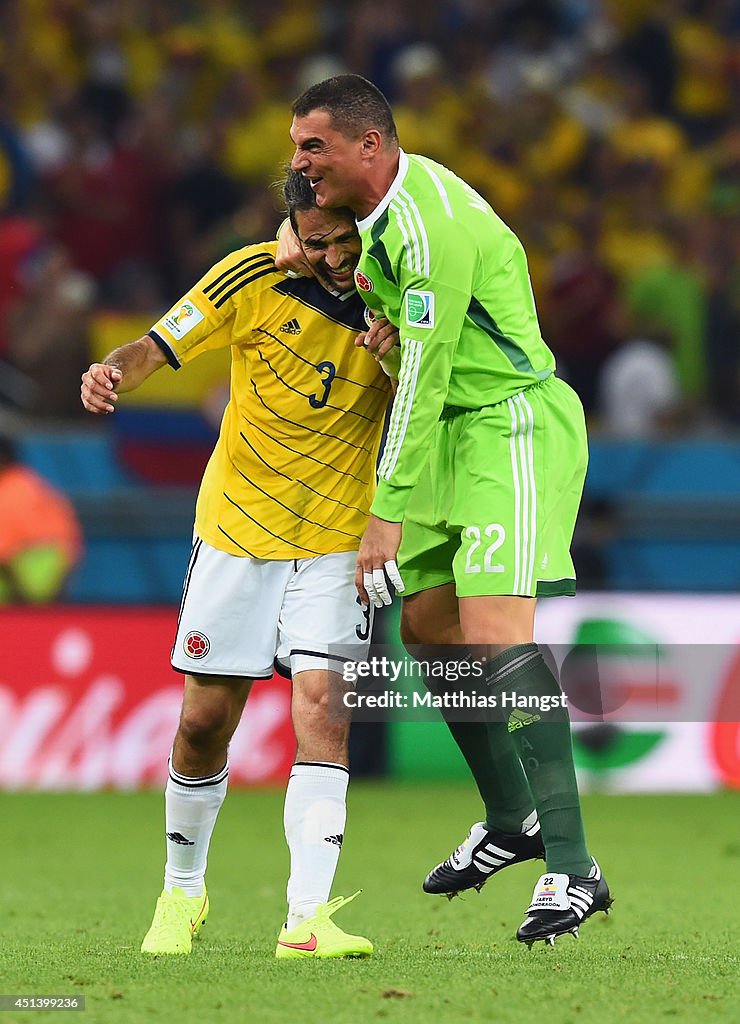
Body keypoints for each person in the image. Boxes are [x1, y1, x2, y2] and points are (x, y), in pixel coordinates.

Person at [284, 74, 611, 947]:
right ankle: (512, 822)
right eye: (295, 147)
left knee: (501, 635)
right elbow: (389, 323)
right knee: (428, 629)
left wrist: (384, 513)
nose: (299, 162)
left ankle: (573, 868)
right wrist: (315, 259)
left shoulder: (426, 230)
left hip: (507, 424)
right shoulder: (374, 220)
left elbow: (427, 379)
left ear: (368, 146)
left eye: (313, 146)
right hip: (446, 438)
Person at [81, 170, 397, 959]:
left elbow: (429, 403)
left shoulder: (400, 295)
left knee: (323, 710)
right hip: (236, 530)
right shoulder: (251, 272)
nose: (328, 255)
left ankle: (307, 918)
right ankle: (181, 894)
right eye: (313, 240)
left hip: (335, 537)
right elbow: (156, 345)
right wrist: (112, 370)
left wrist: (397, 359)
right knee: (202, 723)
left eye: (341, 238)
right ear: (290, 228)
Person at [0, 433, 82, 604]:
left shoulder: (11, 492)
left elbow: (4, 554)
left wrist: (22, 599)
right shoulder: (27, 482)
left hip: (29, 569)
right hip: (51, 564)